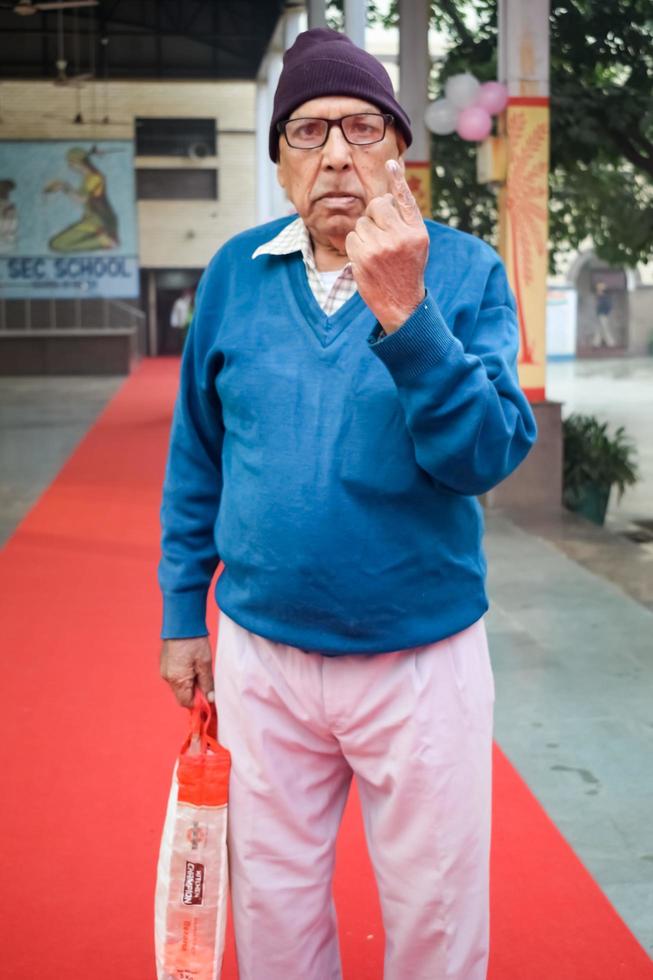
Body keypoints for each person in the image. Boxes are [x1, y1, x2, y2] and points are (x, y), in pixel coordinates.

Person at [158, 27, 537, 980]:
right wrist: (179, 611)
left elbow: (485, 455)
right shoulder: (235, 276)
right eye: (308, 131)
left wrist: (407, 313)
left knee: (435, 914)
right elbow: (197, 454)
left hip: (420, 655)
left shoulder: (462, 271)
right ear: (281, 159)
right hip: (261, 654)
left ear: (400, 151)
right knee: (275, 907)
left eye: (363, 128)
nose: (335, 153)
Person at [593, 281, 616, 348]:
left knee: (605, 328)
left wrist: (605, 312)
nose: (597, 291)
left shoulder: (604, 298)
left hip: (603, 315)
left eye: (599, 289)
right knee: (599, 329)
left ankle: (611, 342)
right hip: (600, 315)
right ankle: (596, 343)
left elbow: (608, 306)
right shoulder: (600, 297)